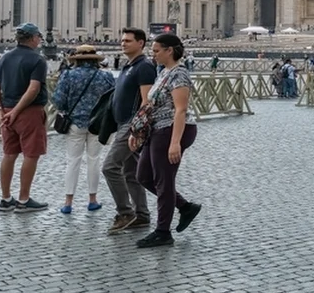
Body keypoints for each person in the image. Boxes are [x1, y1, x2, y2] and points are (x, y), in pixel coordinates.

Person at [131, 33, 202, 248]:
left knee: (164, 180)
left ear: (169, 50)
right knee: (143, 176)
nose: (153, 55)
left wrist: (175, 142)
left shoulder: (179, 75)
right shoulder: (163, 72)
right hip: (156, 130)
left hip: (172, 130)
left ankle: (163, 232)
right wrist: (137, 132)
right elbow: (151, 104)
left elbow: (181, 110)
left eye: (156, 51)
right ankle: (185, 206)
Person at [0, 23, 50, 213]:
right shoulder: (38, 60)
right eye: (39, 36)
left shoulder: (3, 59)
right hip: (28, 112)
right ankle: (24, 199)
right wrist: (16, 111)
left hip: (6, 112)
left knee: (9, 154)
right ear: (33, 38)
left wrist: (1, 111)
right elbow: (33, 89)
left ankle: (6, 198)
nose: (40, 39)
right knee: (31, 155)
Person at [103, 28, 157, 234]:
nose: (123, 43)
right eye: (122, 40)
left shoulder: (144, 67)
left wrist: (137, 129)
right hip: (122, 123)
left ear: (141, 43)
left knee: (109, 167)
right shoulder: (129, 65)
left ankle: (125, 212)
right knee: (130, 171)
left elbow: (146, 100)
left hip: (131, 125)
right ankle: (142, 215)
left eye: (128, 40)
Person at [51, 45, 114, 215]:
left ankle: (68, 202)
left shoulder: (68, 75)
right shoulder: (105, 76)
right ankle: (92, 200)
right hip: (97, 124)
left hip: (75, 123)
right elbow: (113, 99)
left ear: (77, 59)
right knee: (94, 160)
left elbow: (58, 100)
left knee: (73, 161)